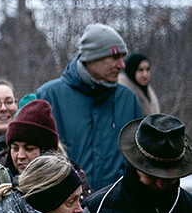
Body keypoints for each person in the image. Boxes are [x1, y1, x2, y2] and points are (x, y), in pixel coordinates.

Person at [26, 23, 142, 191]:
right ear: (92, 59)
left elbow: (138, 159)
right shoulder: (48, 97)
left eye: (122, 58)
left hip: (117, 210)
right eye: (115, 57)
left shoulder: (128, 99)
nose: (122, 65)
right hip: (66, 208)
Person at [5, 97, 60, 176]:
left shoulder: (71, 182)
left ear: (47, 153)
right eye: (15, 148)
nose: (20, 156)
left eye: (29, 149)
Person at [121, 52, 160, 117]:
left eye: (147, 69)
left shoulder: (148, 91)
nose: (145, 75)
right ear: (132, 71)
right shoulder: (123, 93)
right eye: (140, 70)